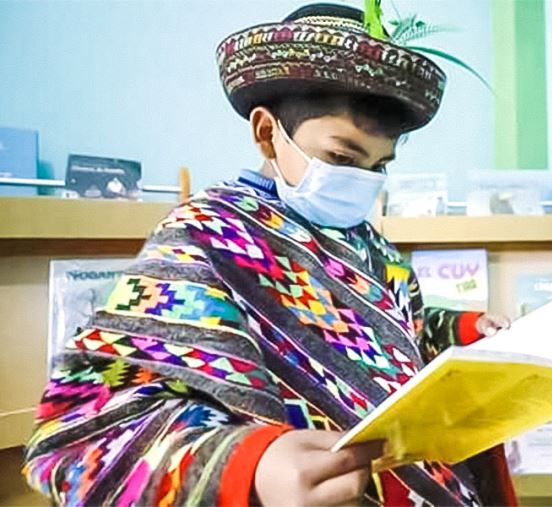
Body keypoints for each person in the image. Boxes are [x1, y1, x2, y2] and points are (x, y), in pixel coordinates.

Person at [22, 3, 517, 505]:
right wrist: (248, 464)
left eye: (378, 166)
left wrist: (461, 331)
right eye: (341, 157)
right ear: (266, 132)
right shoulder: (205, 237)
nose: (362, 181)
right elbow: (86, 429)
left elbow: (399, 337)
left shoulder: (374, 248)